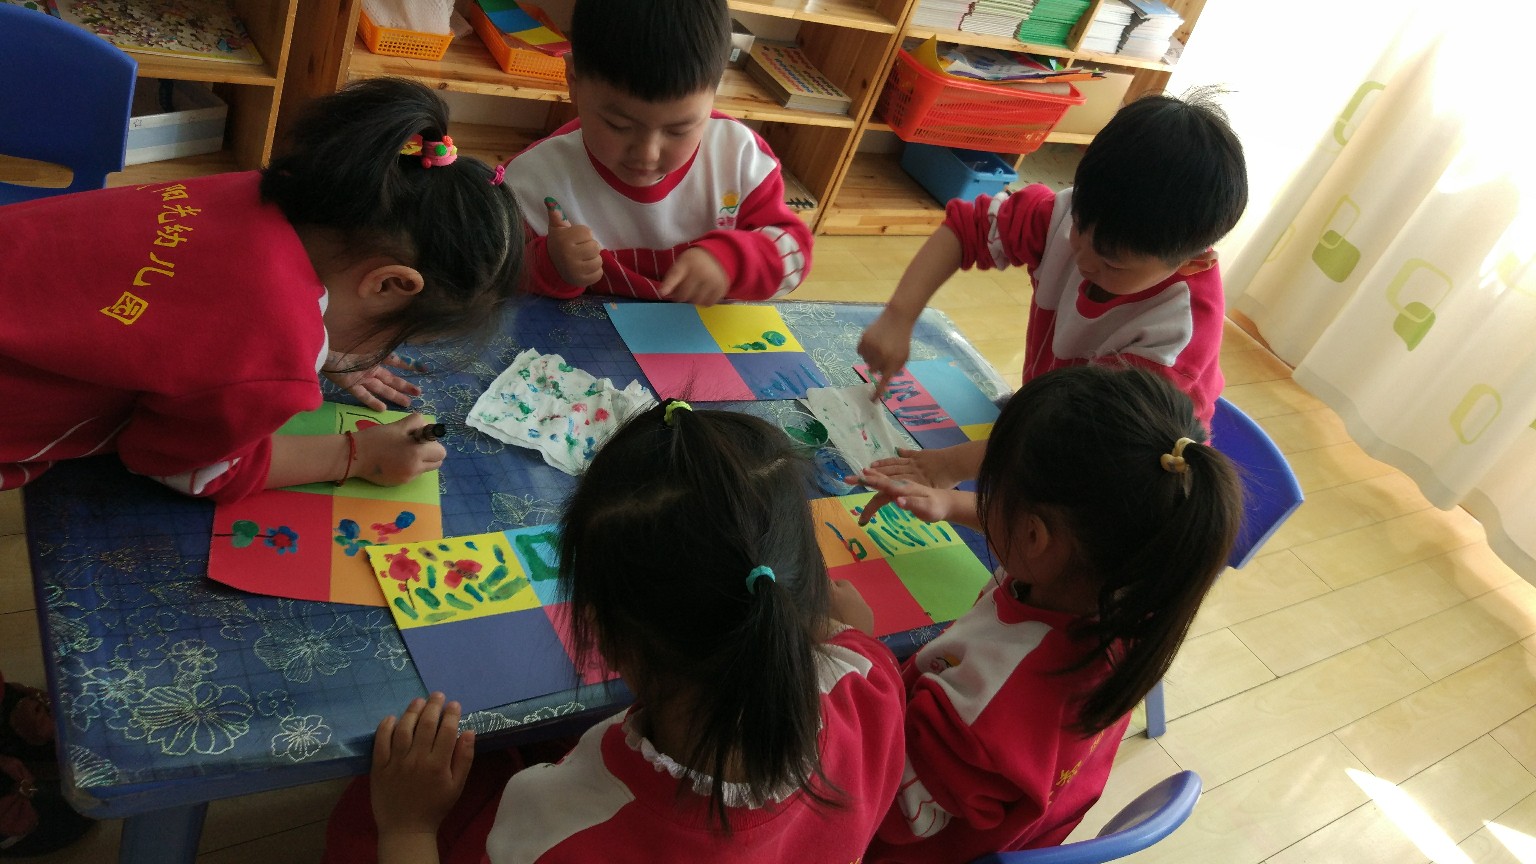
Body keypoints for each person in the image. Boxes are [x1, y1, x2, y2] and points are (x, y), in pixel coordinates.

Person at [327, 402, 905, 864]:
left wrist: (408, 828)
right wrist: (849, 638)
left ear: (605, 638)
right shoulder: (871, 683)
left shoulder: (560, 829)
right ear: (797, 596)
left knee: (368, 813)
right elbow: (848, 654)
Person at [0, 77, 524, 503]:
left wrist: (322, 341)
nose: (384, 348)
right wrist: (360, 455)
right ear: (389, 283)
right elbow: (178, 465)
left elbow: (205, 301)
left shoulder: (254, 188)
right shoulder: (272, 355)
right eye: (396, 334)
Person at [853, 365, 1242, 862]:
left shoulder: (991, 698)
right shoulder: (1130, 589)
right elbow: (1044, 537)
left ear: (1035, 537)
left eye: (993, 493)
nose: (983, 502)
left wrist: (859, 651)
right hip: (1004, 805)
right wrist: (949, 503)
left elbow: (875, 798)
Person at [856, 91, 1247, 506]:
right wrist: (898, 316)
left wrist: (949, 469)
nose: (1083, 259)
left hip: (1128, 469)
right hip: (1062, 411)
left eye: (1112, 264)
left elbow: (1079, 441)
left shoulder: (1175, 338)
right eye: (1078, 227)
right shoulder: (1079, 215)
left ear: (1190, 262)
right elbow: (967, 230)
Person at [504, 0, 812, 305]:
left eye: (678, 130)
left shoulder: (739, 156)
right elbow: (494, 269)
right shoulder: (532, 180)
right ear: (573, 81)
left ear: (715, 94)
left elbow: (795, 252)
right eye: (619, 126)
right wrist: (550, 264)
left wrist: (732, 260)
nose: (648, 154)